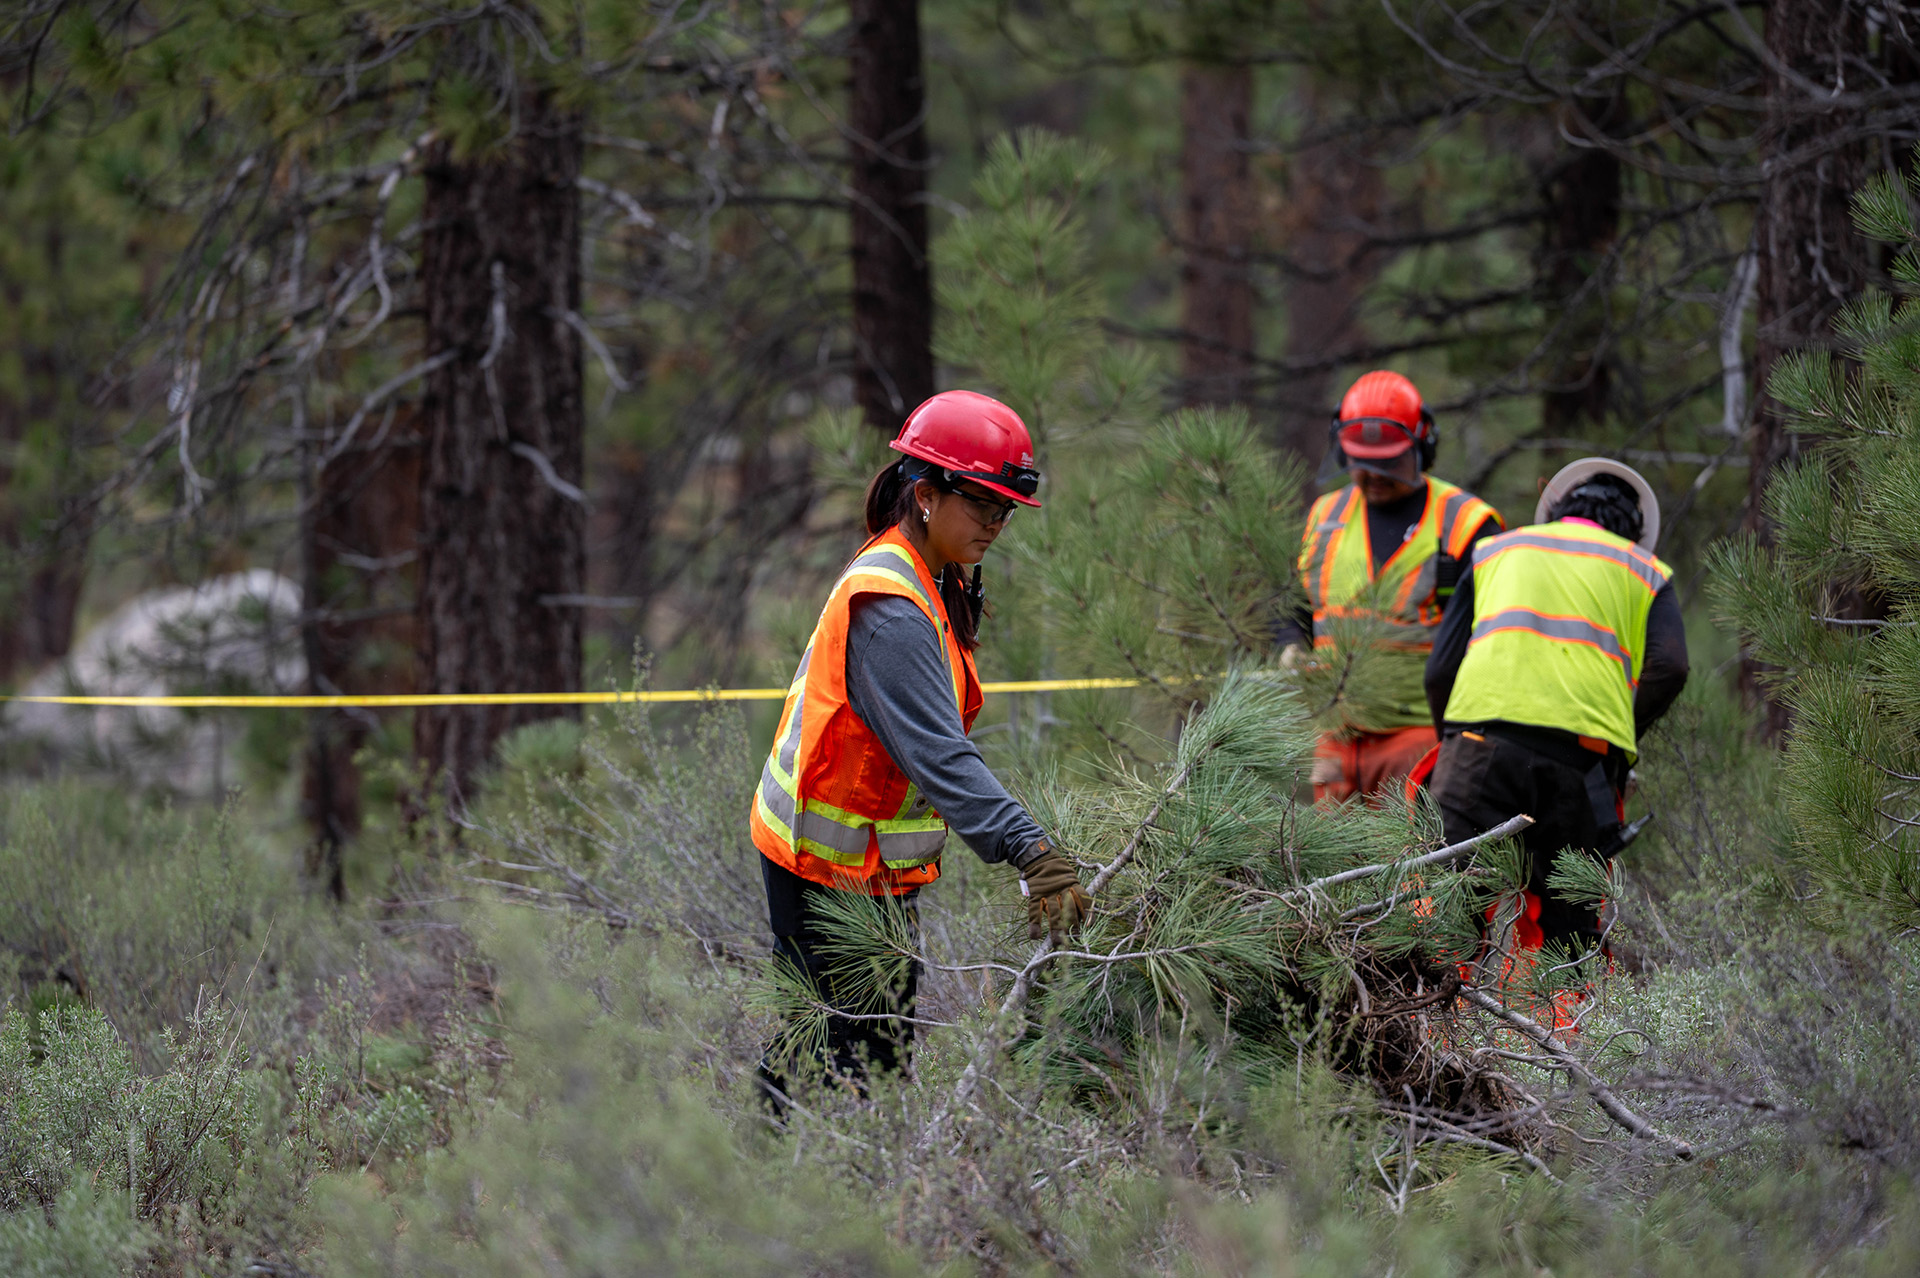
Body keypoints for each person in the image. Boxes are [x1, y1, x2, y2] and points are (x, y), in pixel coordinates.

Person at [749, 389, 1091, 1108]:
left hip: (870, 867)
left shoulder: (933, 575)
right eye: (984, 506)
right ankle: (773, 1192)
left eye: (1006, 511)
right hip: (824, 870)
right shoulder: (892, 609)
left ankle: (807, 1185)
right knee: (837, 1060)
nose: (997, 525)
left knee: (868, 1055)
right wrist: (1030, 849)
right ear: (928, 494)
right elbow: (940, 755)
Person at [1423, 458, 1689, 953]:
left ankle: (1424, 1027)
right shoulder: (1646, 571)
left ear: (1558, 508)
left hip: (1478, 750)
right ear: (1633, 532)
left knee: (1443, 917)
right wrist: (1619, 737)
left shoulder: (1493, 552)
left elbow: (1440, 672)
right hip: (1582, 768)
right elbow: (1670, 668)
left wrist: (1455, 744)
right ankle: (1562, 1030)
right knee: (1569, 944)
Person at [1280, 370, 1504, 803]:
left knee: (1415, 865)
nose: (1374, 475)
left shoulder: (1466, 522)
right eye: (1361, 463)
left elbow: (1495, 639)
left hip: (1424, 737)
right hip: (1335, 738)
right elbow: (1292, 605)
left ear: (1423, 448)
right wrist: (1289, 642)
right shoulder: (1325, 517)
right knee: (1334, 868)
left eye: (1388, 463)